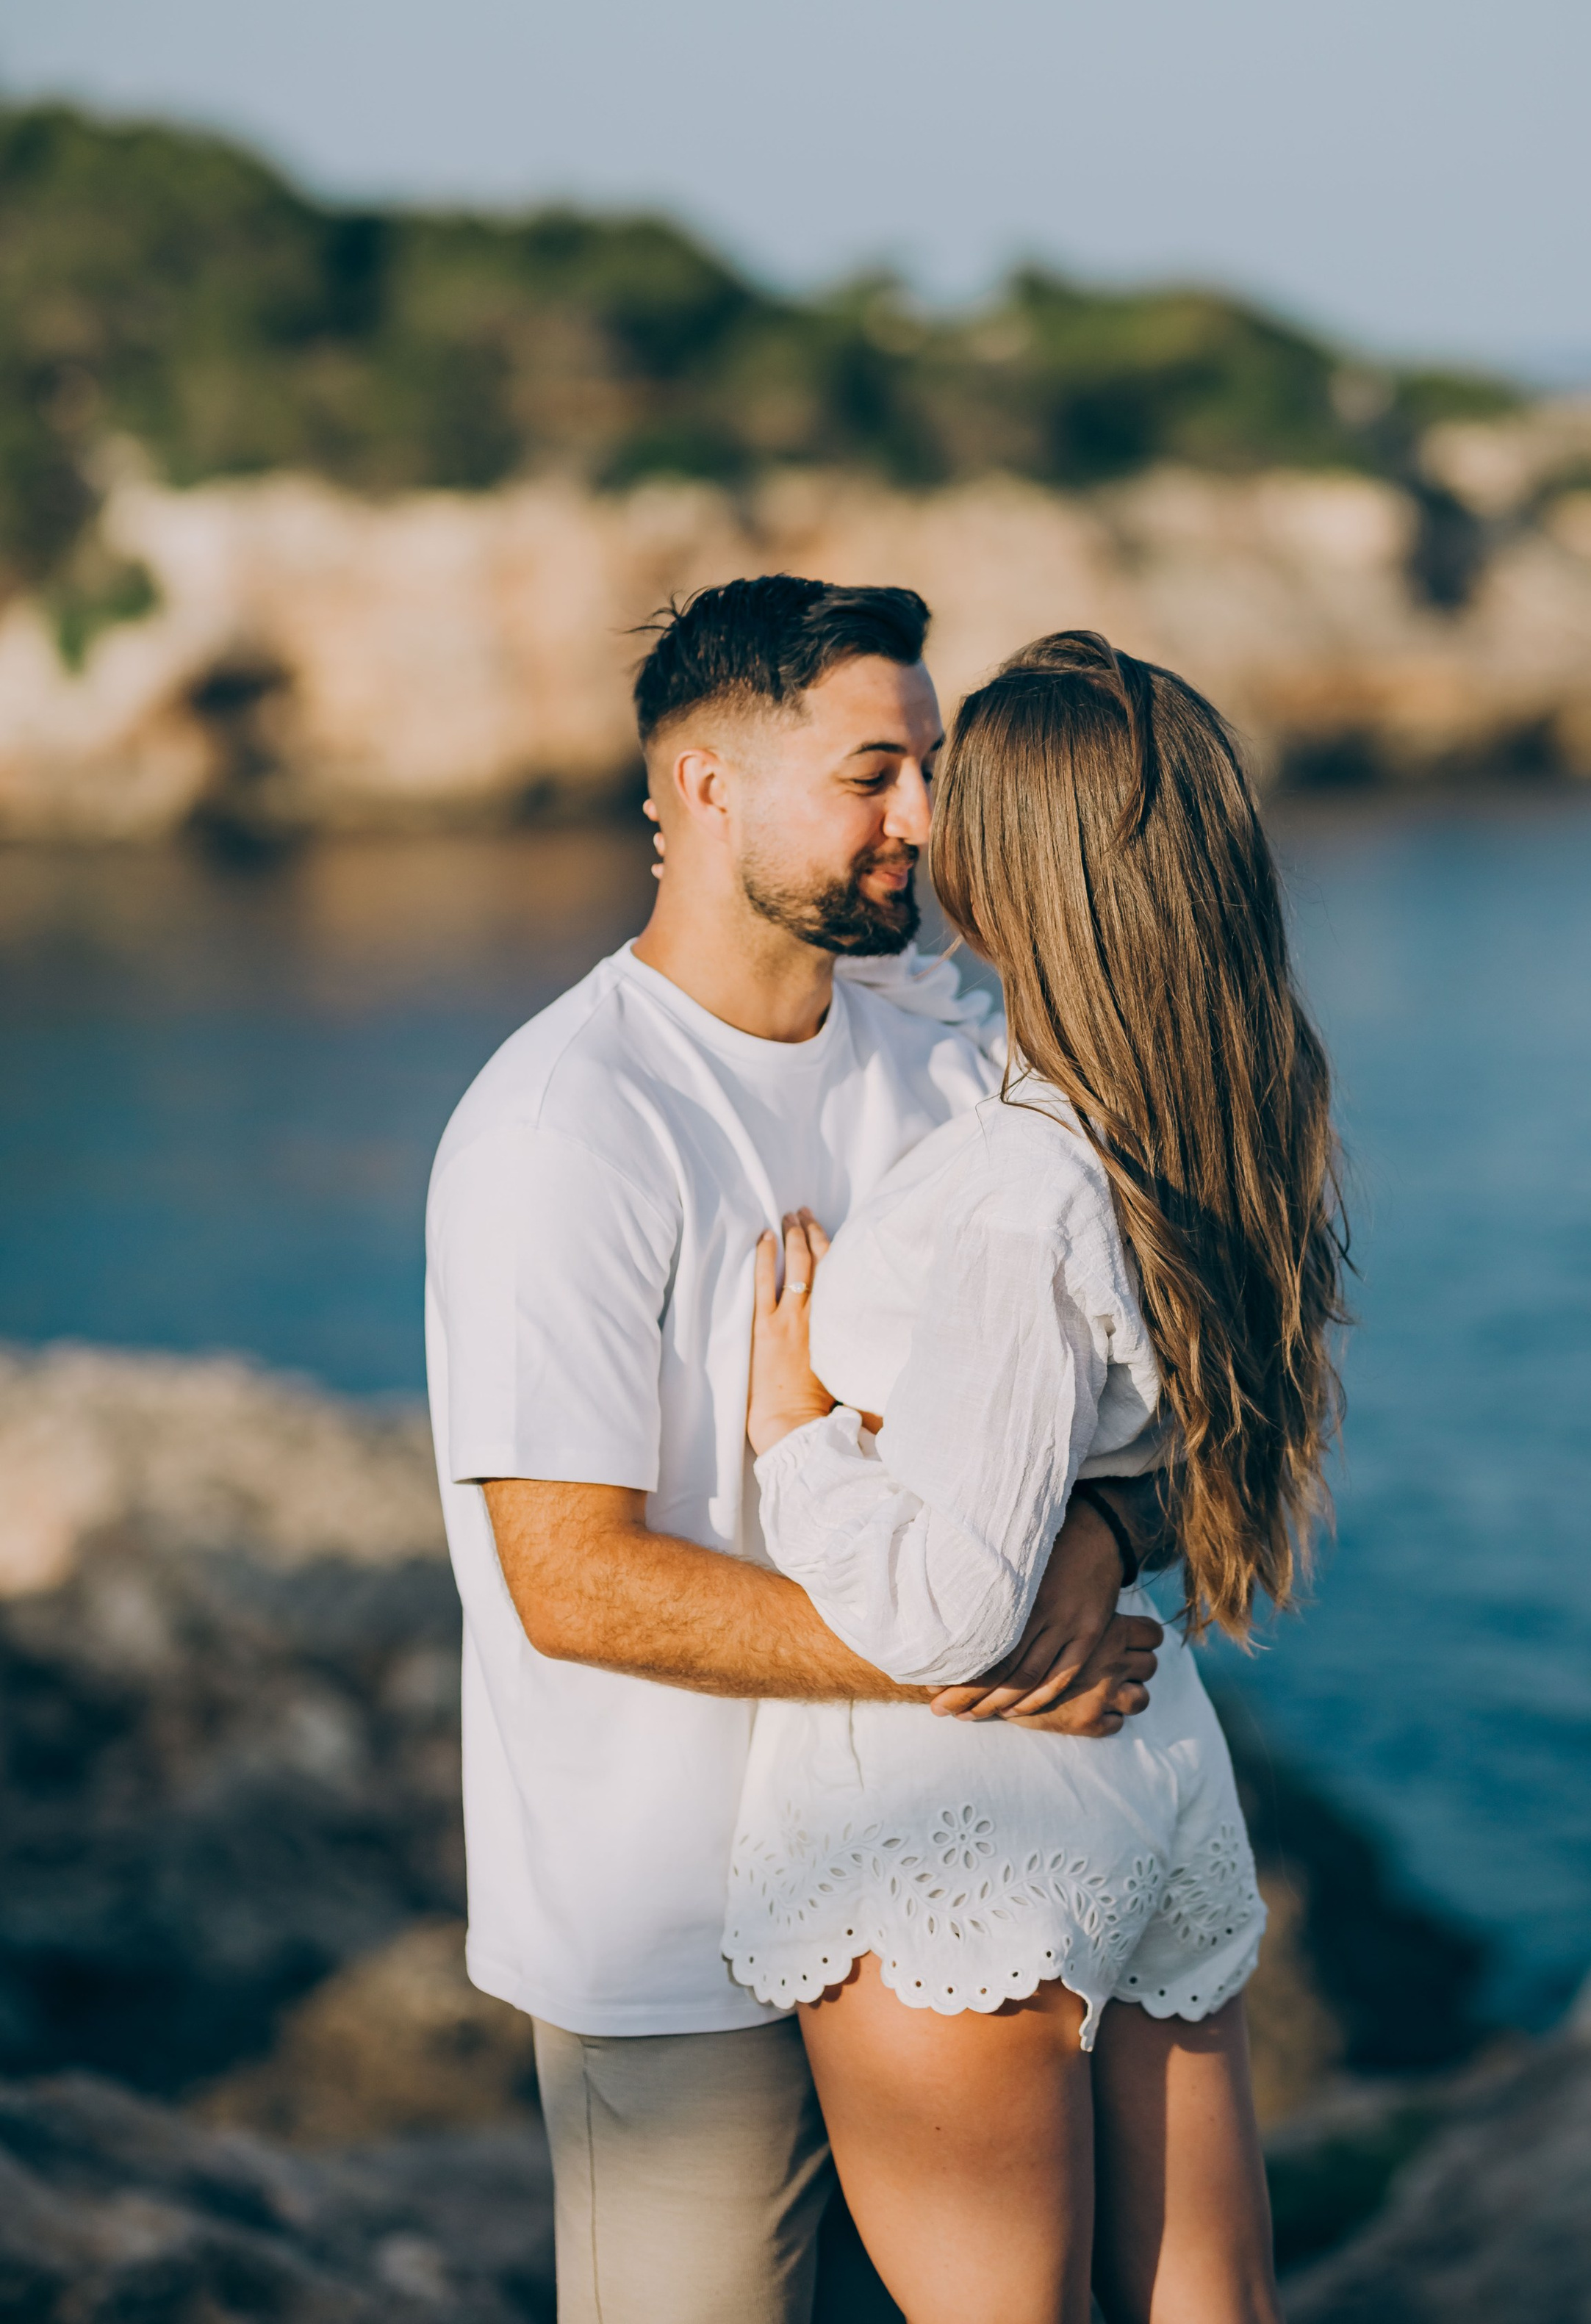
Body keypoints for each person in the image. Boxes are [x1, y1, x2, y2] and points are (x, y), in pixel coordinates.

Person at [425, 578, 1168, 2324]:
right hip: (672, 1944)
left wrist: (1097, 1548)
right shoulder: (565, 1127)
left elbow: (1139, 1395)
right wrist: (965, 1649)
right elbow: (571, 1580)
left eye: (927, 769)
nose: (924, 819)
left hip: (953, 1902)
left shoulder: (956, 1047)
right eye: (871, 775)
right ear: (701, 789)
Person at [724, 631, 1348, 2324]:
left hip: (961, 1814)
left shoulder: (1020, 1184)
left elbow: (942, 1613)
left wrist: (792, 1433)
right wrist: (1096, 1517)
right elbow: (1195, 1437)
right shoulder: (1214, 1108)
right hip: (1147, 1777)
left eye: (952, 796)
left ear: (1022, 873)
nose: (913, 819)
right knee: (1207, 2298)